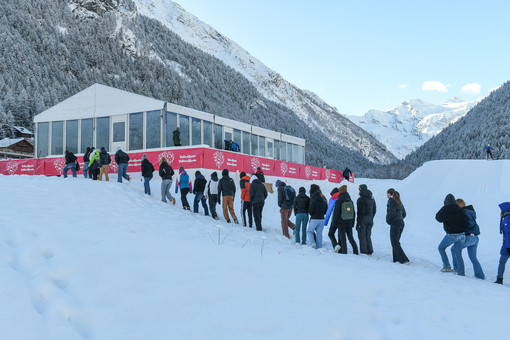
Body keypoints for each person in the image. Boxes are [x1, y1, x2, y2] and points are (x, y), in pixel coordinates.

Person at [450, 199, 484, 279]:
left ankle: (457, 269)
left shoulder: (464, 212)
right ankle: (480, 276)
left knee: (454, 249)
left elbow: (470, 224)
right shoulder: (470, 211)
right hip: (475, 238)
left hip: (469, 237)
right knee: (473, 258)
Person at [435, 193, 468, 275]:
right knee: (458, 254)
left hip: (452, 234)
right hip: (462, 234)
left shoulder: (445, 208)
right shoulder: (459, 209)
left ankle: (446, 266)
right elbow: (466, 221)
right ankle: (461, 272)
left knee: (441, 248)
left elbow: (438, 218)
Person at [330, 185, 358, 254]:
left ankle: (344, 253)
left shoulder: (339, 201)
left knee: (343, 239)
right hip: (349, 222)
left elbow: (336, 214)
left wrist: (333, 223)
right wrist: (352, 223)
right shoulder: (350, 200)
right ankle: (356, 252)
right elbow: (353, 213)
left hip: (341, 223)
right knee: (351, 238)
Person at [386, 189, 409, 264]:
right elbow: (404, 214)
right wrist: (399, 218)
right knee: (396, 241)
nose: (387, 195)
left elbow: (391, 213)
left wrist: (389, 221)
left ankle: (404, 259)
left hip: (395, 223)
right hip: (401, 223)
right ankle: (396, 259)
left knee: (394, 242)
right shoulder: (399, 201)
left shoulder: (391, 201)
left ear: (390, 194)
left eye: (387, 193)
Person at [357, 184, 376, 255]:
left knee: (362, 235)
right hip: (370, 219)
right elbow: (374, 210)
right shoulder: (372, 198)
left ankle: (364, 250)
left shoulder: (361, 199)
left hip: (363, 219)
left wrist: (358, 223)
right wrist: (371, 217)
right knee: (368, 235)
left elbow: (360, 212)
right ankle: (370, 250)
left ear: (361, 190)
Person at [307, 184, 328, 248]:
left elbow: (310, 211)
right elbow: (326, 208)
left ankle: (312, 243)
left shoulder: (313, 200)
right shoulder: (323, 199)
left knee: (309, 231)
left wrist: (312, 214)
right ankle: (319, 247)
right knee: (319, 234)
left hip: (314, 218)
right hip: (321, 219)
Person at [496, 202, 510, 284]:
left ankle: (499, 279)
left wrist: (508, 247)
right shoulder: (507, 218)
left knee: (502, 262)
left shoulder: (507, 219)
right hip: (506, 244)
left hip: (507, 245)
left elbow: (508, 234)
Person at [324, 188, 340, 252]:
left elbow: (329, 212)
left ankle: (336, 245)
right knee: (340, 234)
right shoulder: (343, 197)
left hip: (335, 219)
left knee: (330, 233)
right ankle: (342, 248)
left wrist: (325, 222)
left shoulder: (333, 198)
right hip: (343, 220)